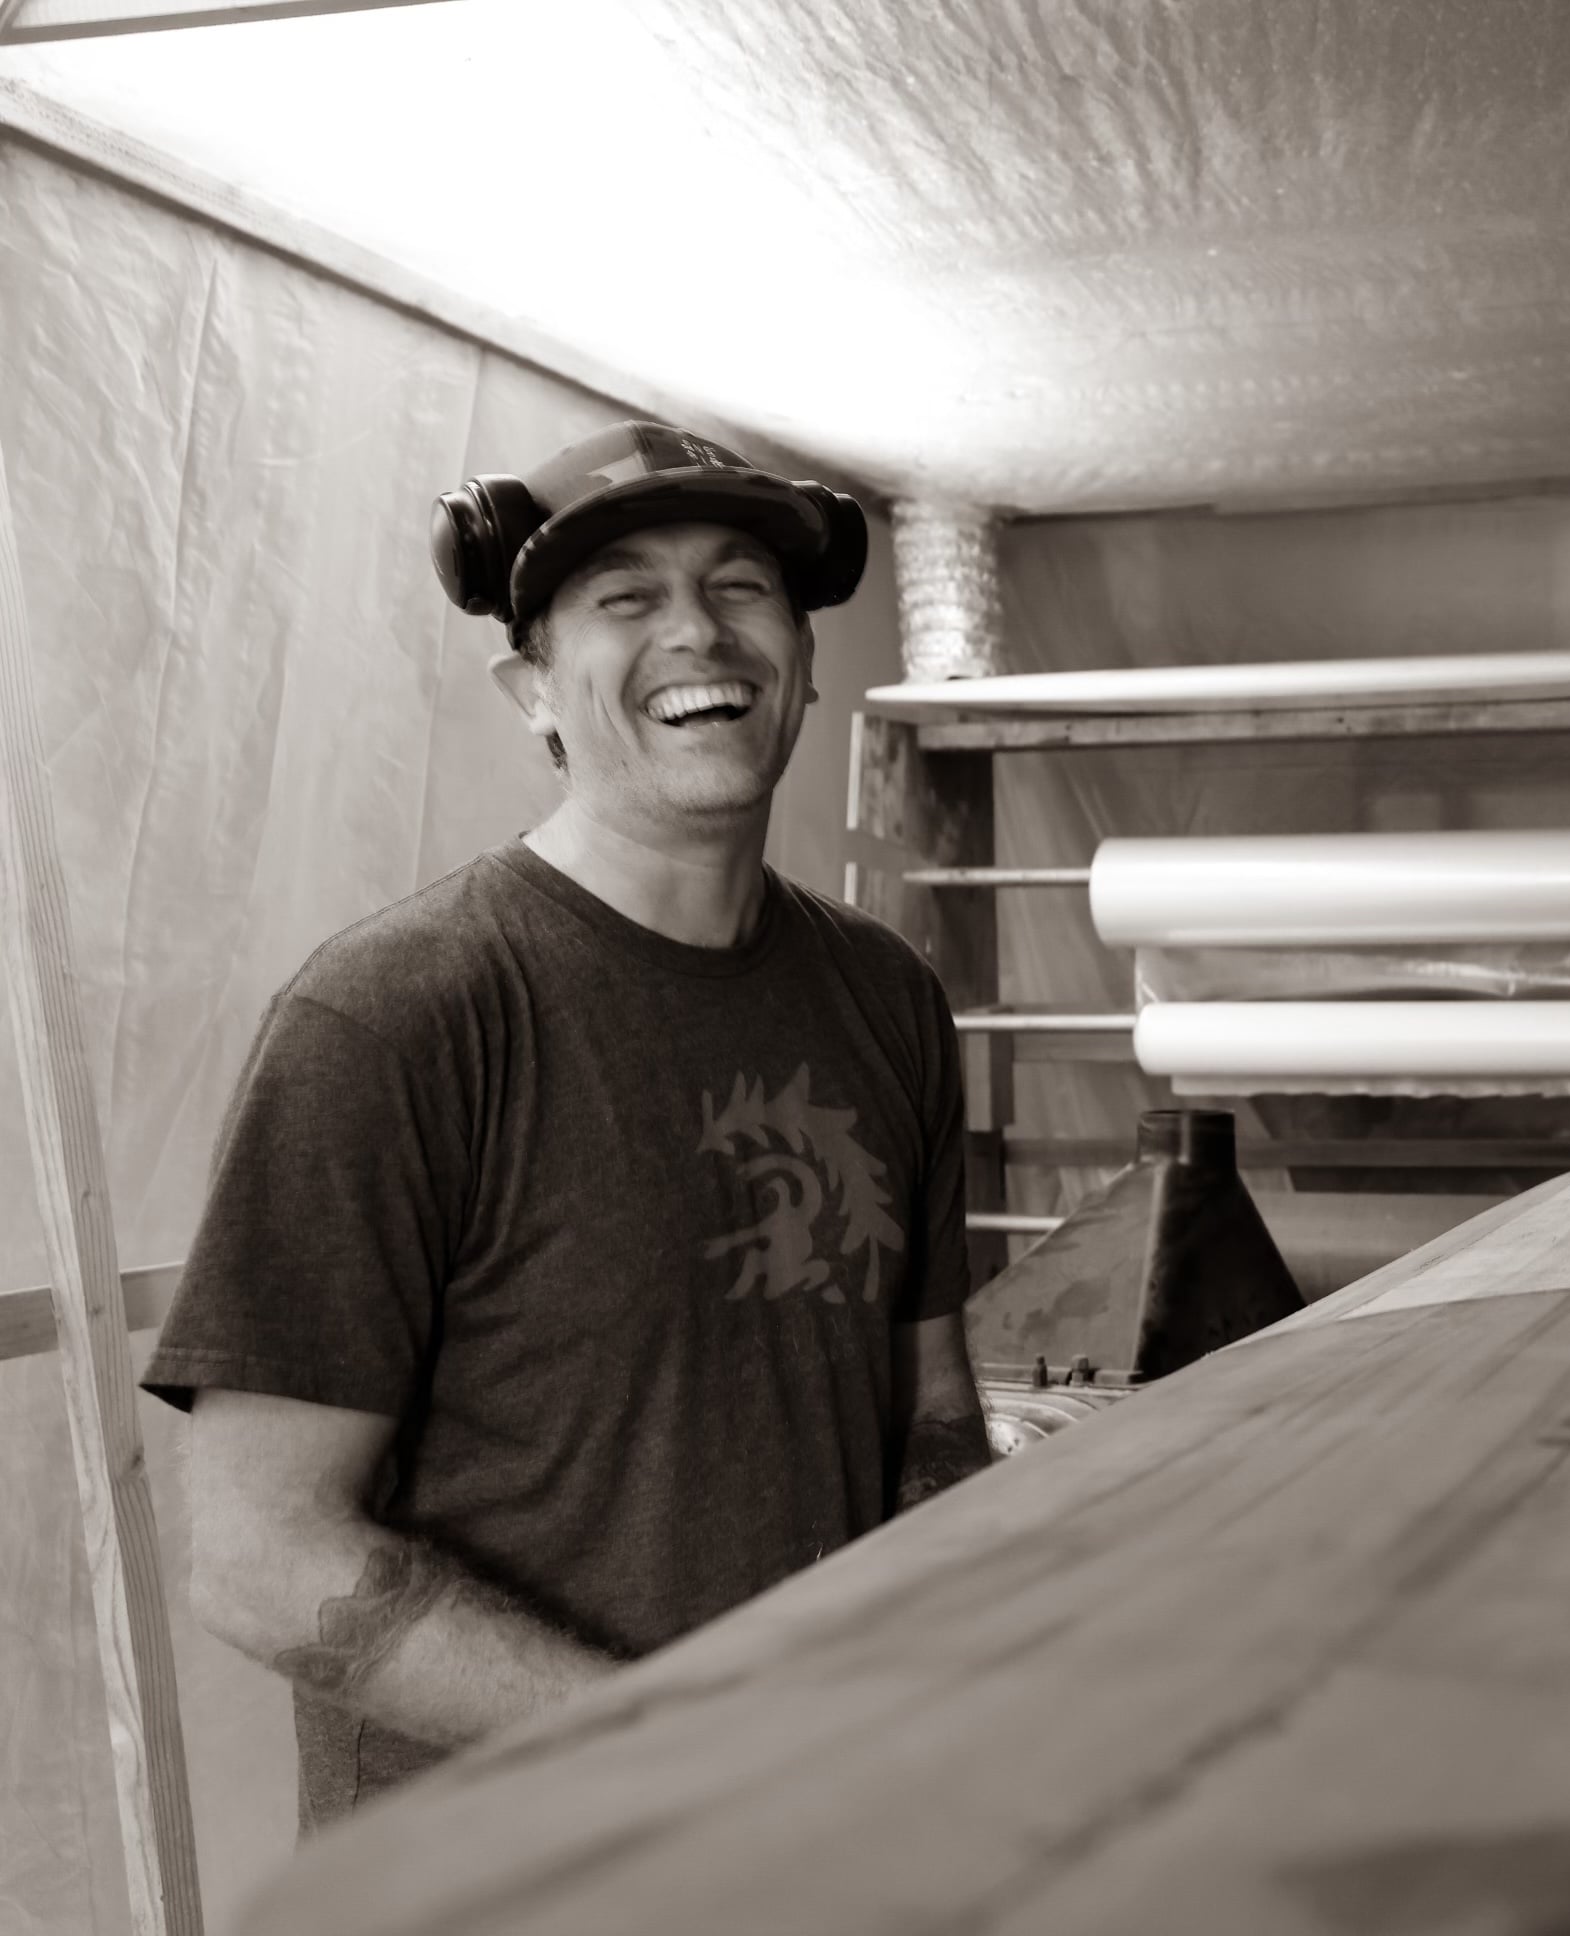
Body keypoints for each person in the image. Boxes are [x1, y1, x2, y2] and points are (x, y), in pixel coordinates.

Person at [143, 422, 993, 1832]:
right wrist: (686, 1757)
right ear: (530, 690)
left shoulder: (884, 997)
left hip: (813, 1846)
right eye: (626, 601)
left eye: (740, 587)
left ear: (803, 655)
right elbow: (259, 1555)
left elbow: (934, 1412)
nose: (697, 633)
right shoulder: (399, 1015)